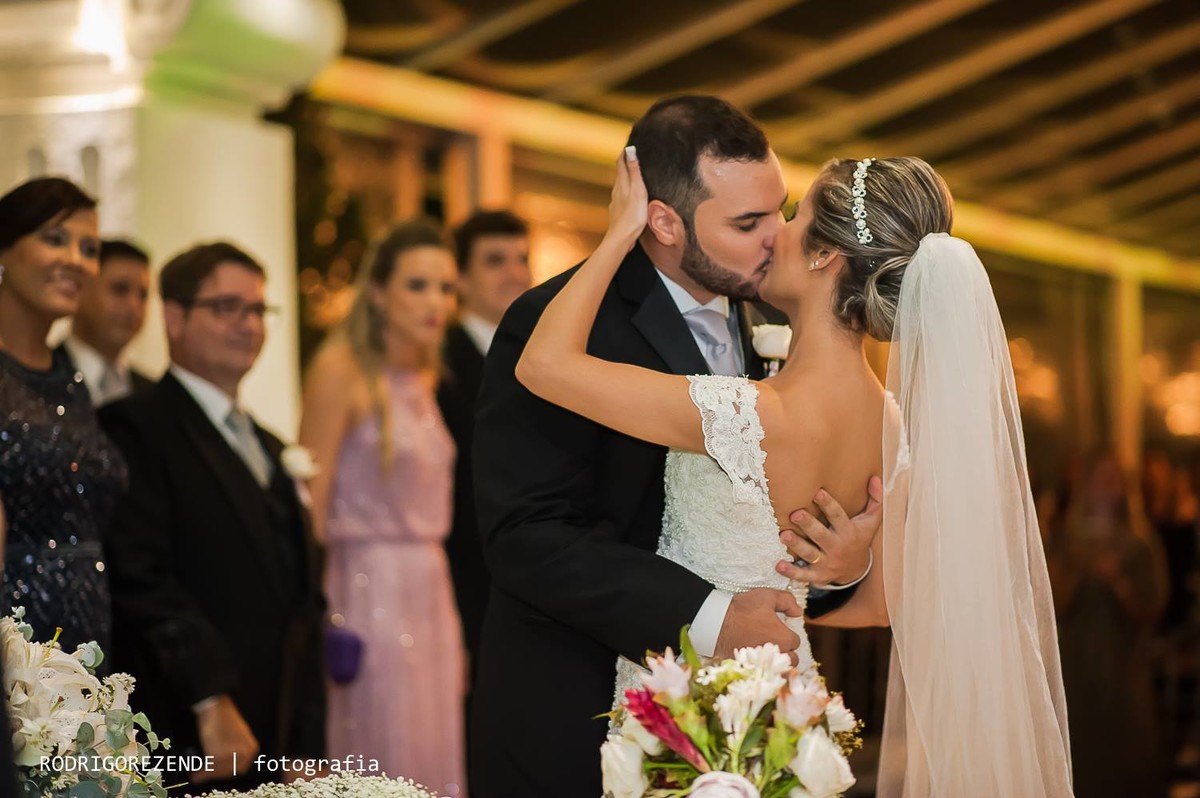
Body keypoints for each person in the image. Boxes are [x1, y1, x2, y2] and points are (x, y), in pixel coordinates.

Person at [518, 145, 1073, 795]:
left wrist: (620, 234)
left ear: (823, 254)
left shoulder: (744, 413)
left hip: (698, 713)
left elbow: (542, 364)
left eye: (794, 215)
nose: (774, 232)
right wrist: (837, 576)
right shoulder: (892, 424)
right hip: (786, 708)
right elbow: (881, 607)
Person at [469, 96, 877, 796]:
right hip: (580, 716)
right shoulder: (558, 325)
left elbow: (775, 529)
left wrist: (842, 566)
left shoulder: (785, 319)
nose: (777, 239)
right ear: (662, 221)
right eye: (747, 223)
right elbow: (526, 534)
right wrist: (711, 618)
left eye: (780, 212)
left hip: (748, 728)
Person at [100, 242, 326, 790]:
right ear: (174, 317)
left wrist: (303, 737)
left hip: (274, 725)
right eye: (227, 308)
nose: (248, 324)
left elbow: (300, 600)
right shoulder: (135, 427)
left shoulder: (271, 446)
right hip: (187, 722)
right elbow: (139, 576)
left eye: (257, 310)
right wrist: (209, 696)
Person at [299, 220, 466, 796]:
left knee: (430, 746)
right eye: (417, 285)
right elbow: (310, 504)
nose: (435, 302)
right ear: (377, 292)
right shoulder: (340, 370)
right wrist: (311, 612)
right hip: (367, 585)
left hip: (431, 586)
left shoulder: (427, 376)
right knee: (380, 743)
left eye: (446, 288)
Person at [0, 176, 125, 653]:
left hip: (85, 649)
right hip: (17, 645)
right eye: (55, 239)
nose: (76, 260)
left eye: (89, 249)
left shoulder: (71, 379)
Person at [441, 210, 532, 706]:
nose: (515, 273)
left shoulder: (542, 356)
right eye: (495, 261)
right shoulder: (440, 362)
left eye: (522, 258)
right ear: (460, 277)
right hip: (464, 567)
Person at [1049, 452, 1168, 798]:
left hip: (1123, 669)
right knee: (1080, 756)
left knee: (1126, 758)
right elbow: (1051, 605)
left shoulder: (1140, 543)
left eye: (1113, 480)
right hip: (1076, 668)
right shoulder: (1065, 539)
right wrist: (1080, 570)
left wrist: (1117, 580)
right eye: (1099, 479)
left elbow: (1152, 608)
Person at [62, 239, 154, 406]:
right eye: (120, 289)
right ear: (79, 289)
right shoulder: (38, 376)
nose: (134, 306)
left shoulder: (151, 394)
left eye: (143, 295)